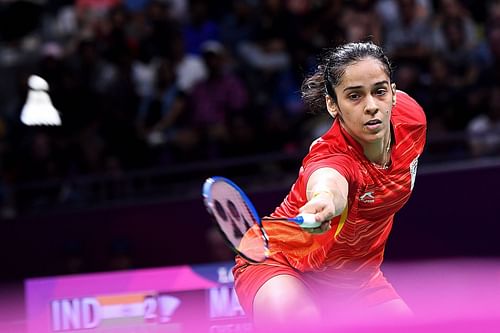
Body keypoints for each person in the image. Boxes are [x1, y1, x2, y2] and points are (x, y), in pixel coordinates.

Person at [232, 41, 427, 330]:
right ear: (332, 105)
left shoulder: (412, 119)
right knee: (300, 322)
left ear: (394, 93)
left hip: (356, 279)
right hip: (281, 260)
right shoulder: (332, 156)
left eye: (380, 91)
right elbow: (328, 185)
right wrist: (322, 205)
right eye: (354, 96)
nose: (372, 105)